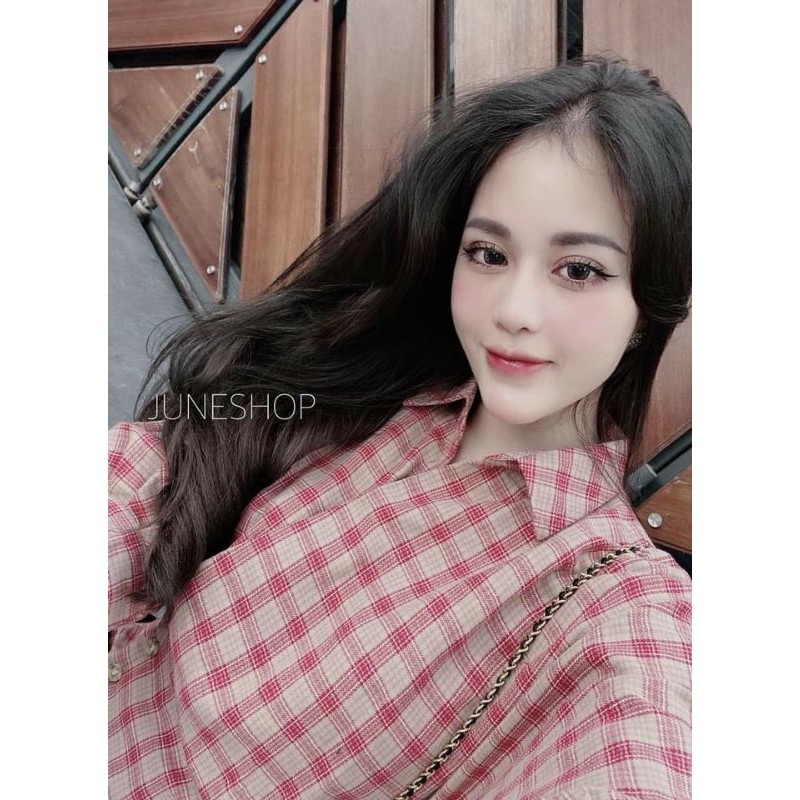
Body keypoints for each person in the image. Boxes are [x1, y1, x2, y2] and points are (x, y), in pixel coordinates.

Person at [109, 55, 691, 800]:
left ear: (649, 306)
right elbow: (156, 469)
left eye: (578, 270)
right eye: (488, 254)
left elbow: (642, 741)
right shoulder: (371, 383)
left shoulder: (613, 606)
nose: (515, 310)